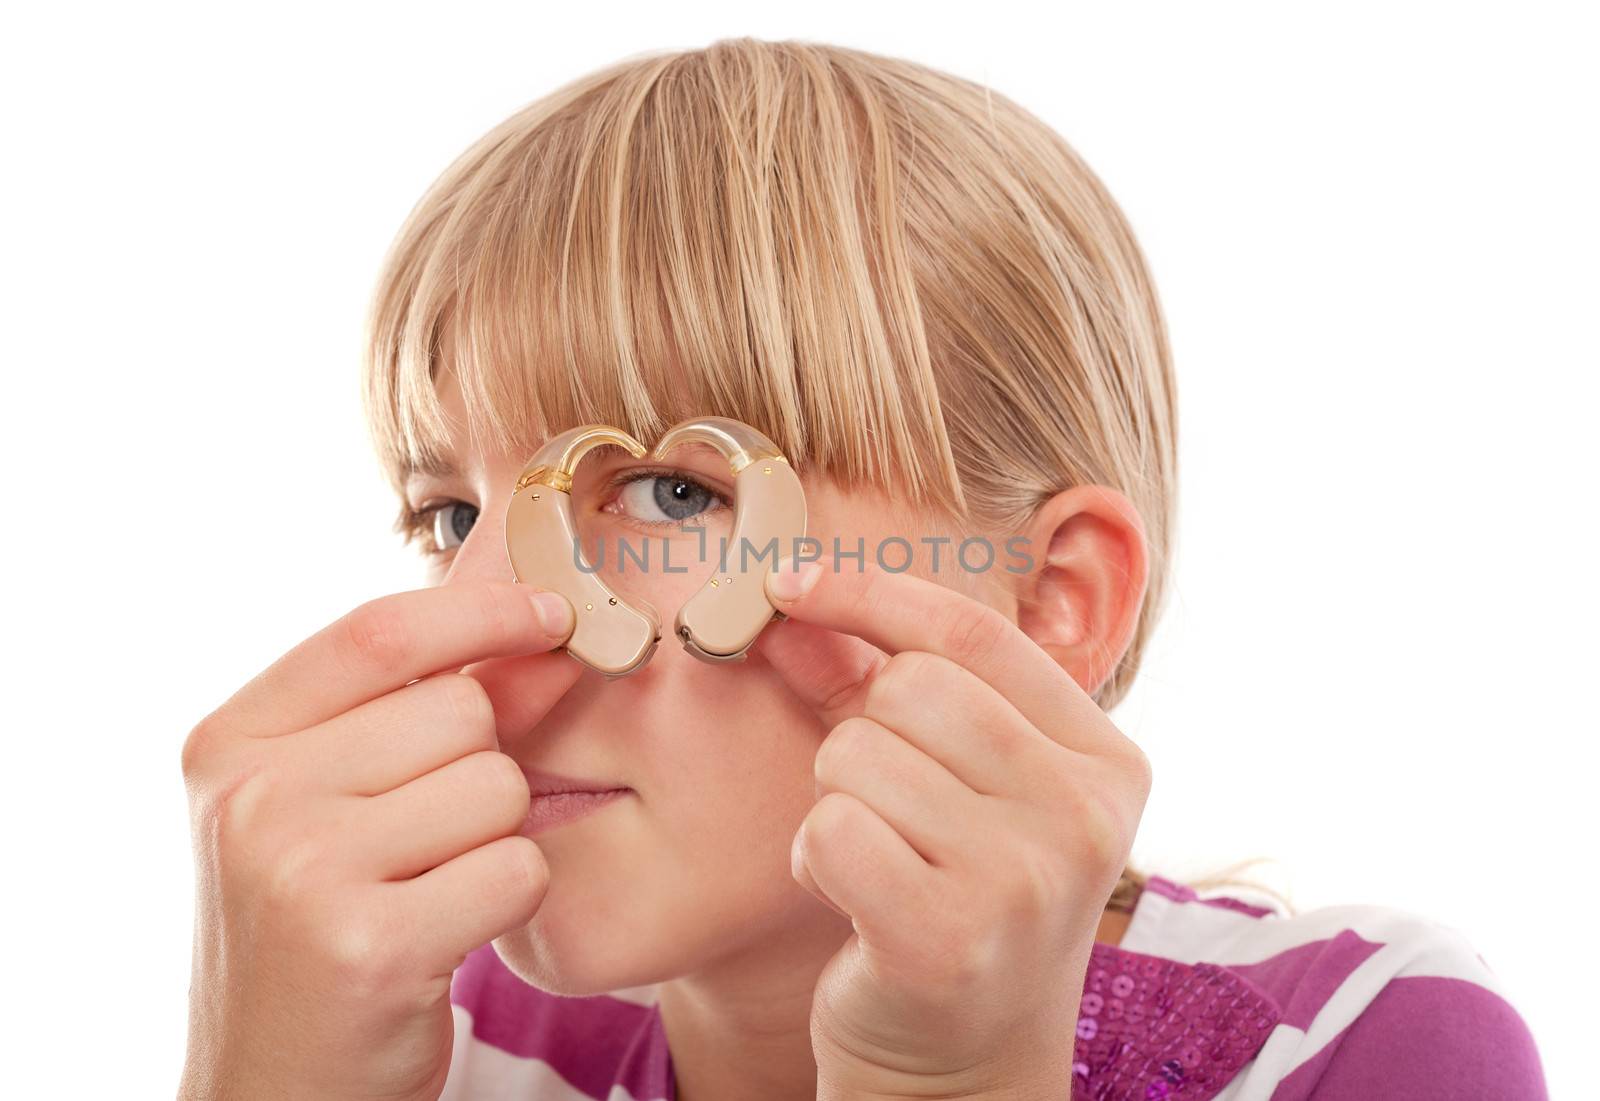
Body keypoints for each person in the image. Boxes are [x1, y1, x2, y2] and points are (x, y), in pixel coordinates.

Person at [178, 37, 1547, 1101]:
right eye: (448, 513)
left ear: (1053, 599)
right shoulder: (439, 1030)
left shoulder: (1362, 1045)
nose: (480, 625)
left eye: (671, 491)